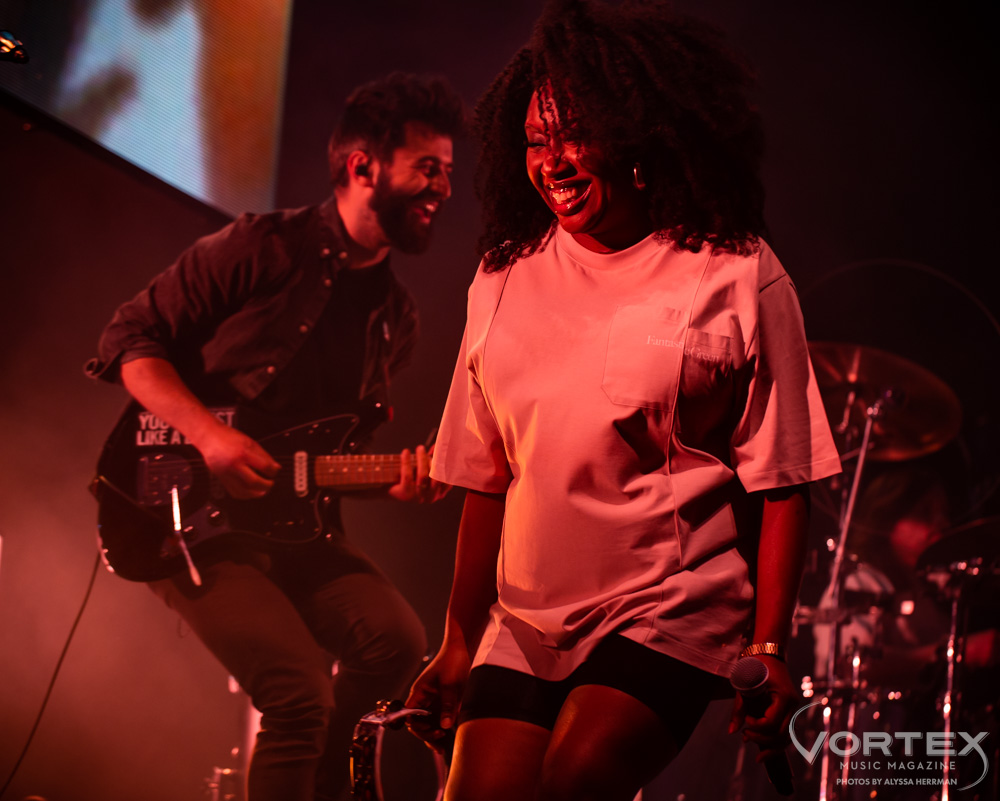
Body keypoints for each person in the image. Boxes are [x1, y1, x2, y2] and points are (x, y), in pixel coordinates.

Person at [404, 3, 842, 800]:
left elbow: (785, 480)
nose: (553, 162)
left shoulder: (734, 270)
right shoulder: (503, 278)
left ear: (637, 133)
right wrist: (458, 641)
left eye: (575, 134)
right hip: (526, 622)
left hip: (666, 607)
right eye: (536, 140)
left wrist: (772, 645)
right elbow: (485, 479)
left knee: (576, 778)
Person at [86, 72, 465, 801]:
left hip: (290, 524)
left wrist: (392, 478)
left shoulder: (398, 318)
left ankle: (329, 782)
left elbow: (315, 457)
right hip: (181, 515)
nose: (444, 188)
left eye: (448, 172)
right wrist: (208, 436)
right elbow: (129, 338)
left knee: (398, 639)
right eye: (428, 167)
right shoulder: (261, 246)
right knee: (297, 694)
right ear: (363, 167)